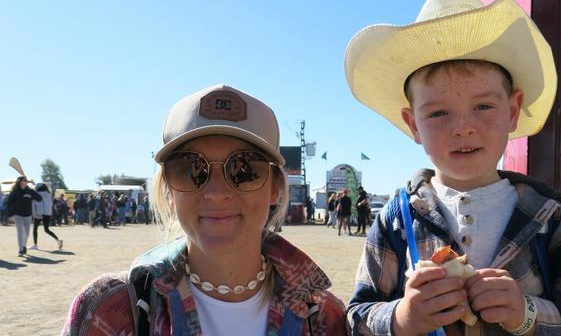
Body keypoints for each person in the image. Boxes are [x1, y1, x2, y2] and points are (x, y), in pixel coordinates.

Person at [343, 0, 561, 335]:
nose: (463, 127)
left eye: (483, 107)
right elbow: (356, 318)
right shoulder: (397, 218)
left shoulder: (549, 216)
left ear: (511, 111)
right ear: (413, 124)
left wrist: (527, 313)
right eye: (438, 112)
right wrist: (403, 318)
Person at [62, 84, 347, 335]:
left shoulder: (324, 317)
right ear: (169, 191)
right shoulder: (109, 309)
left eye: (244, 169)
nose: (217, 193)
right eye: (190, 169)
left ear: (275, 188)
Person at [6, 176, 42, 256]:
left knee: (27, 233)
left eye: (26, 181)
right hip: (17, 214)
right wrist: (10, 215)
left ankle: (24, 245)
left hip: (28, 215)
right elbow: (9, 203)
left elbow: (39, 199)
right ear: (19, 182)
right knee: (20, 232)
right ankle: (21, 250)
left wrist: (34, 191)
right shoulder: (14, 192)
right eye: (24, 180)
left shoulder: (30, 191)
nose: (25, 182)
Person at [31, 183, 63, 250]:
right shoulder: (49, 194)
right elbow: (50, 205)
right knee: (46, 229)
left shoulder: (37, 194)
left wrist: (35, 214)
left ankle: (35, 245)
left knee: (35, 229)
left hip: (40, 213)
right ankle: (58, 239)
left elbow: (35, 204)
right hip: (48, 213)